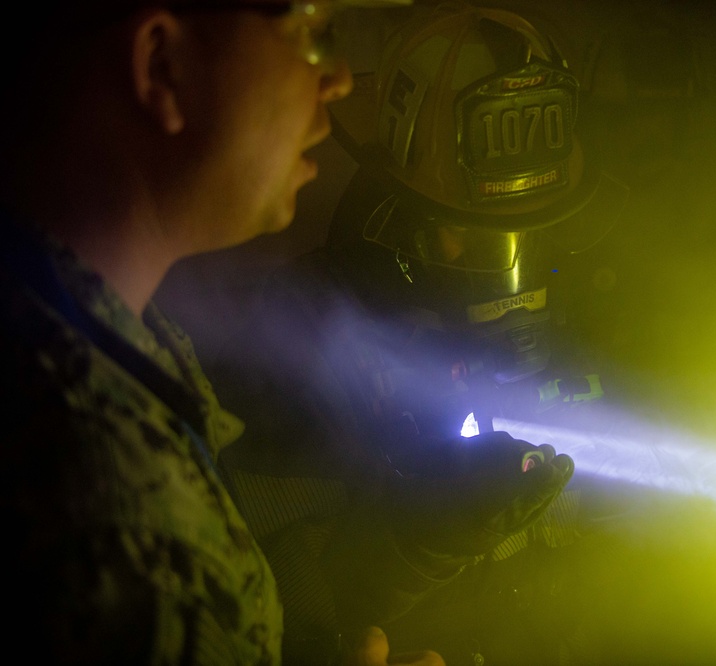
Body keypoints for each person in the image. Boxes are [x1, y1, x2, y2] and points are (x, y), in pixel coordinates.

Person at [0, 0, 547, 663]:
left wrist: (406, 557)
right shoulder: (105, 506)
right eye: (312, 33)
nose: (340, 79)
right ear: (163, 67)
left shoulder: (116, 342)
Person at [207, 4, 615, 664]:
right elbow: (288, 609)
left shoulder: (590, 304)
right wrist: (421, 546)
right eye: (470, 234)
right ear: (397, 211)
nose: (504, 264)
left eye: (525, 230)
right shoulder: (297, 338)